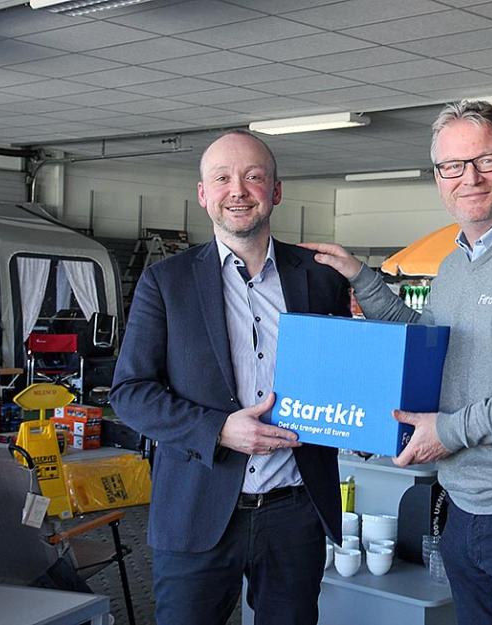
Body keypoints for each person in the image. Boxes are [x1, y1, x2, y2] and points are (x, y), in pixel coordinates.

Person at [303, 100, 492, 625]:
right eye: (453, 166)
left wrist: (449, 431)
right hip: (467, 505)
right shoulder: (455, 264)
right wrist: (362, 279)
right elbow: (432, 344)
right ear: (438, 178)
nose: (469, 178)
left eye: (486, 161)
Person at [110, 130, 350, 625]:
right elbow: (130, 393)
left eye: (253, 176)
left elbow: (342, 376)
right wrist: (219, 429)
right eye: (222, 178)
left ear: (276, 191)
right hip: (196, 508)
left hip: (294, 512)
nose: (237, 190)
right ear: (203, 194)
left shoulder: (322, 277)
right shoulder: (166, 282)